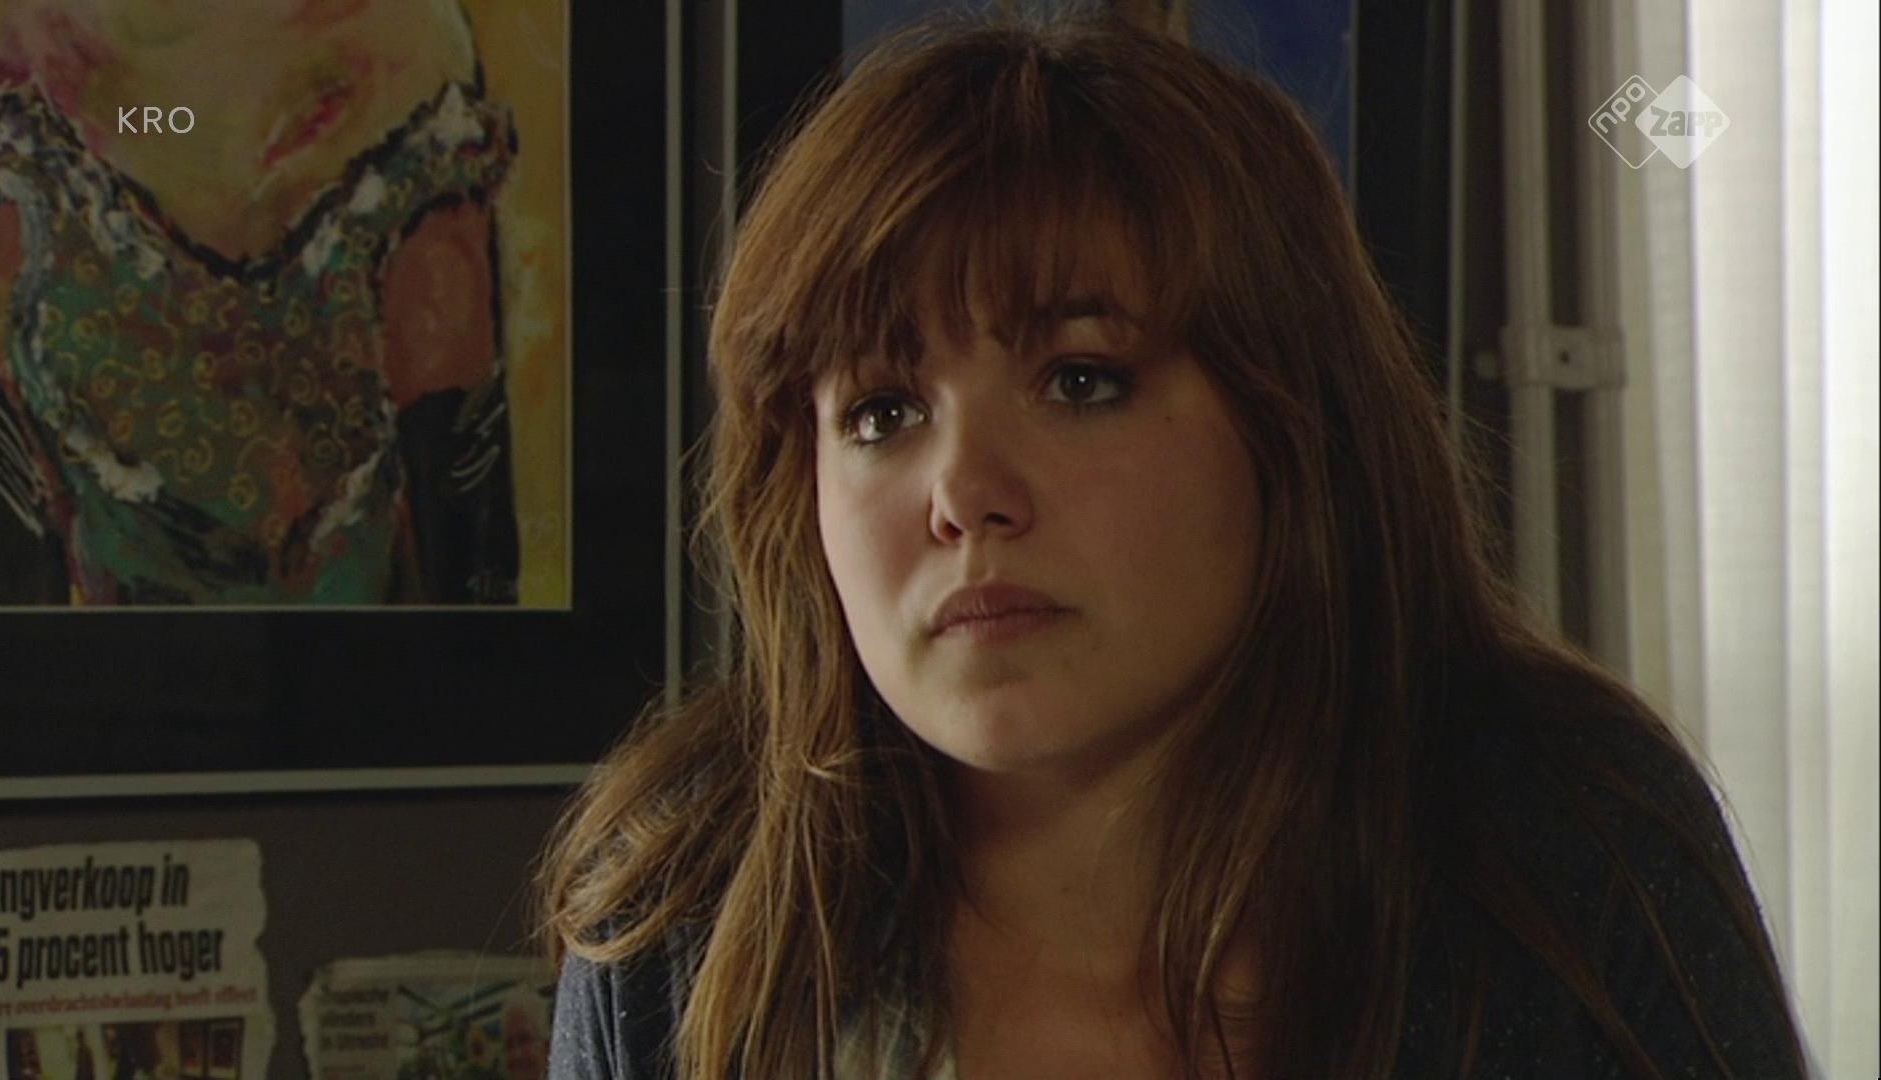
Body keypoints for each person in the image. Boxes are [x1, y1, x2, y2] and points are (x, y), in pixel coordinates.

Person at [538, 8, 1810, 1079]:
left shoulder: (1561, 844)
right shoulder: (686, 904)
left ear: (1290, 425)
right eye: (882, 413)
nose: (964, 495)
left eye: (1080, 380)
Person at [0, 0, 519, 604]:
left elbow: (470, 569)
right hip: (109, 667)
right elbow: (10, 608)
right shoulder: (16, 93)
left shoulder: (405, 61)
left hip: (373, 653)